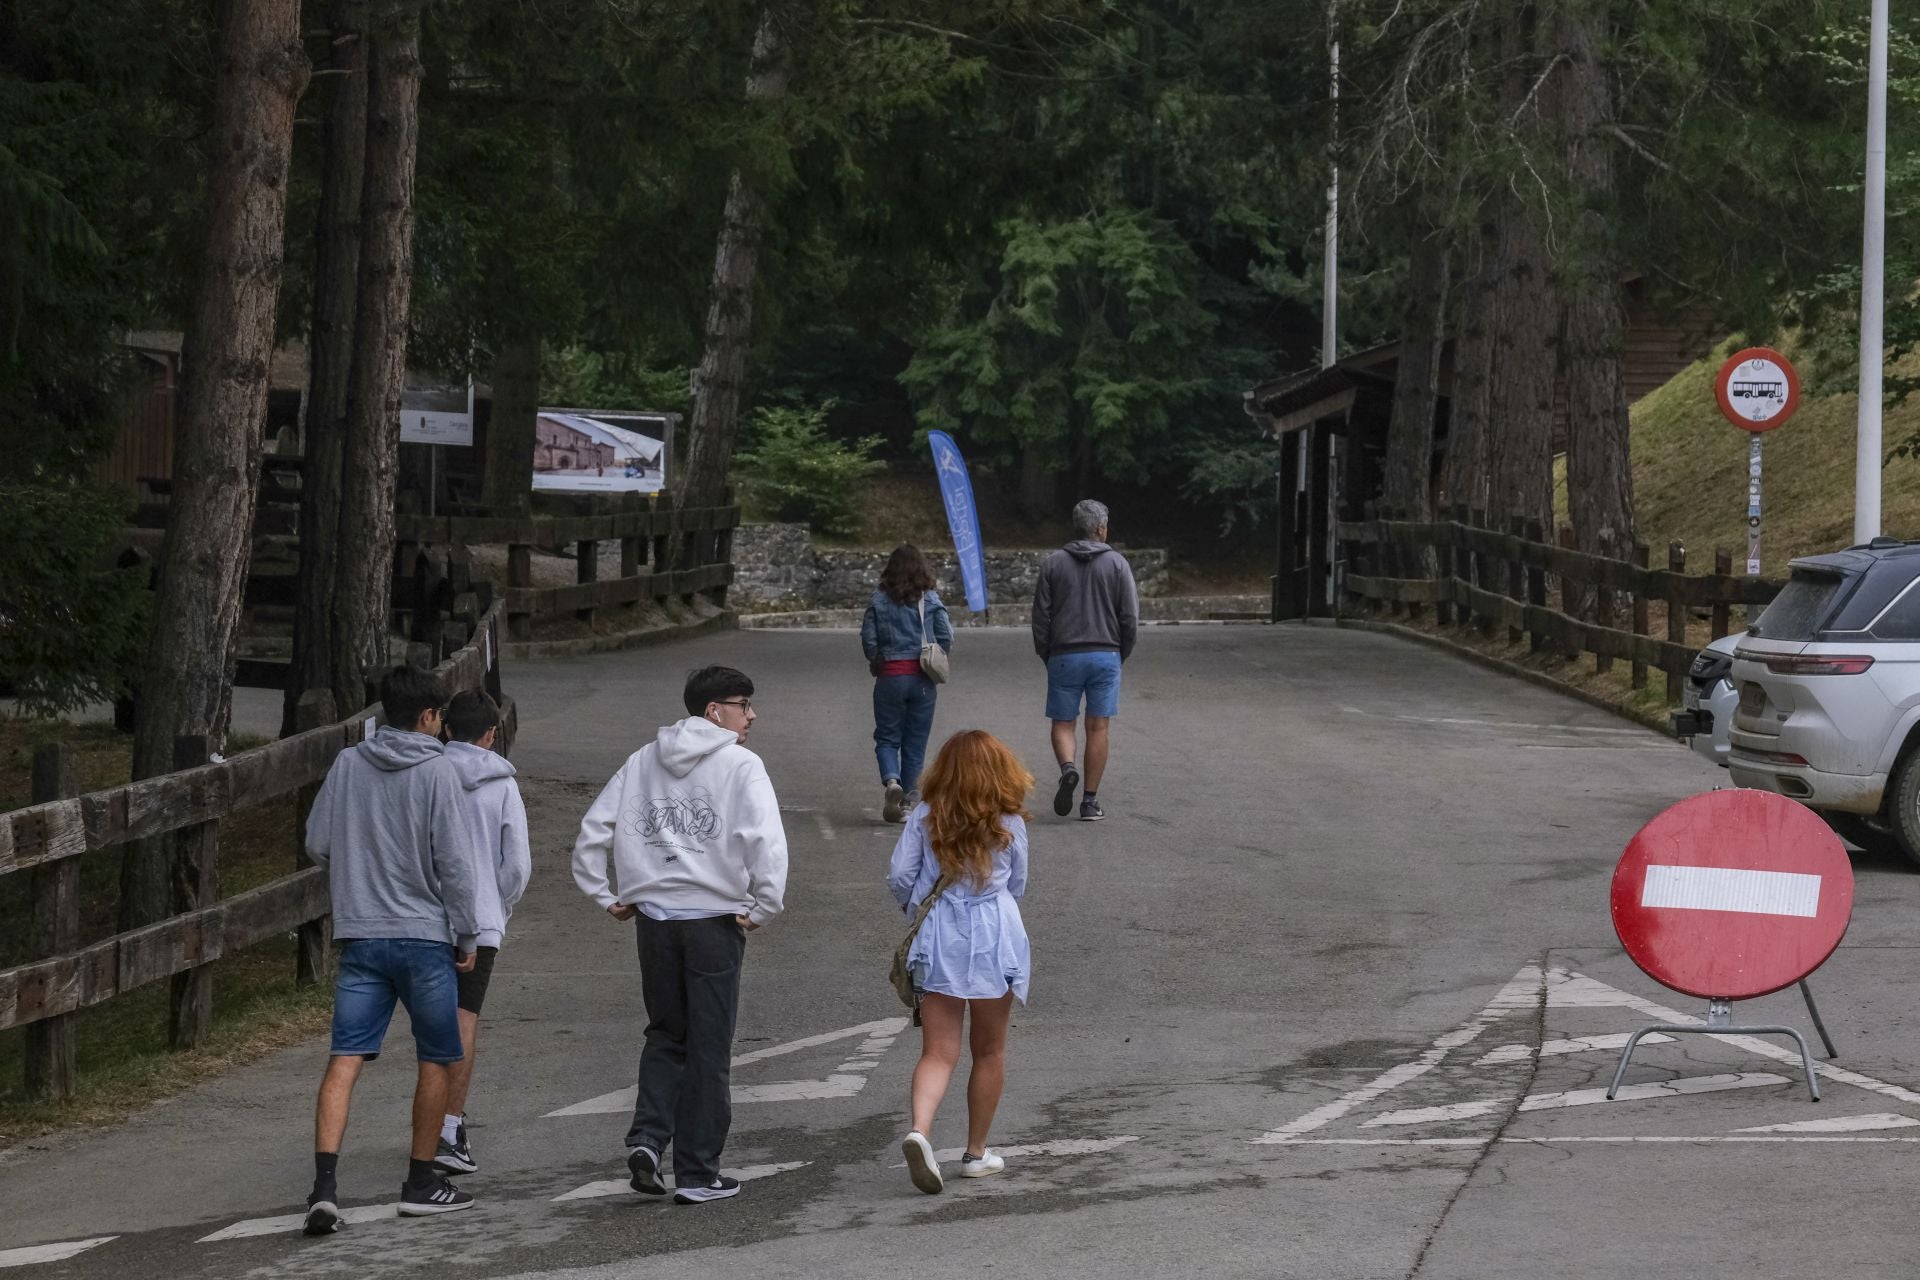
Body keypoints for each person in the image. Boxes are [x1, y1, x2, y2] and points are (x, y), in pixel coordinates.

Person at [571, 666, 789, 1205]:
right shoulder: (741, 764)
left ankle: (648, 1139)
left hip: (655, 921)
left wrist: (605, 893)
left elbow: (593, 831)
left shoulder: (643, 760)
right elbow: (766, 841)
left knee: (666, 1032)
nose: (752, 715)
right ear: (715, 711)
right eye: (744, 703)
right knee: (710, 1045)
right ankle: (697, 1171)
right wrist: (764, 906)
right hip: (714, 919)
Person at [301, 666, 482, 1234]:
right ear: (429, 717)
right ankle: (421, 1181)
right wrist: (467, 932)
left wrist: (357, 873)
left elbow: (317, 842)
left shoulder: (349, 763)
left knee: (345, 1057)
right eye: (439, 719)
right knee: (436, 1057)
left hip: (361, 934)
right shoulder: (438, 772)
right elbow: (453, 862)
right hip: (424, 937)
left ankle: (324, 1188)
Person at [888, 730, 1032, 1196]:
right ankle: (975, 1153)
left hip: (940, 935)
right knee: (989, 1050)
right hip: (994, 935)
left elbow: (900, 877)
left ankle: (921, 1130)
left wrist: (920, 914)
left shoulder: (925, 818)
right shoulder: (1009, 820)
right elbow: (1018, 883)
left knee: (937, 1051)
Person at [432, 690, 532, 1177]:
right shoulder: (503, 785)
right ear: (492, 735)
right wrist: (499, 903)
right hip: (482, 916)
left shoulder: (428, 774)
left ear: (446, 729)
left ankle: (427, 1118)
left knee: (432, 1020)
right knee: (464, 1018)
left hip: (430, 917)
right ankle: (449, 1124)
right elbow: (517, 864)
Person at [1030, 498, 1138, 822]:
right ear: (1101, 528)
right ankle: (1090, 802)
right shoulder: (1118, 564)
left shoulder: (1053, 564)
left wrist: (1045, 652)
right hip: (1106, 653)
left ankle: (1067, 768)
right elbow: (1129, 616)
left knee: (1063, 723)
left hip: (1064, 653)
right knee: (1098, 727)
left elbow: (1040, 616)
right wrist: (1122, 652)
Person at [861, 545, 954, 823]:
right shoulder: (931, 599)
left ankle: (891, 782)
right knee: (915, 741)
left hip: (890, 676)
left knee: (888, 737)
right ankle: (907, 804)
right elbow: (945, 636)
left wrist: (878, 659)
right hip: (922, 679)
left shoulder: (878, 599)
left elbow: (869, 639)